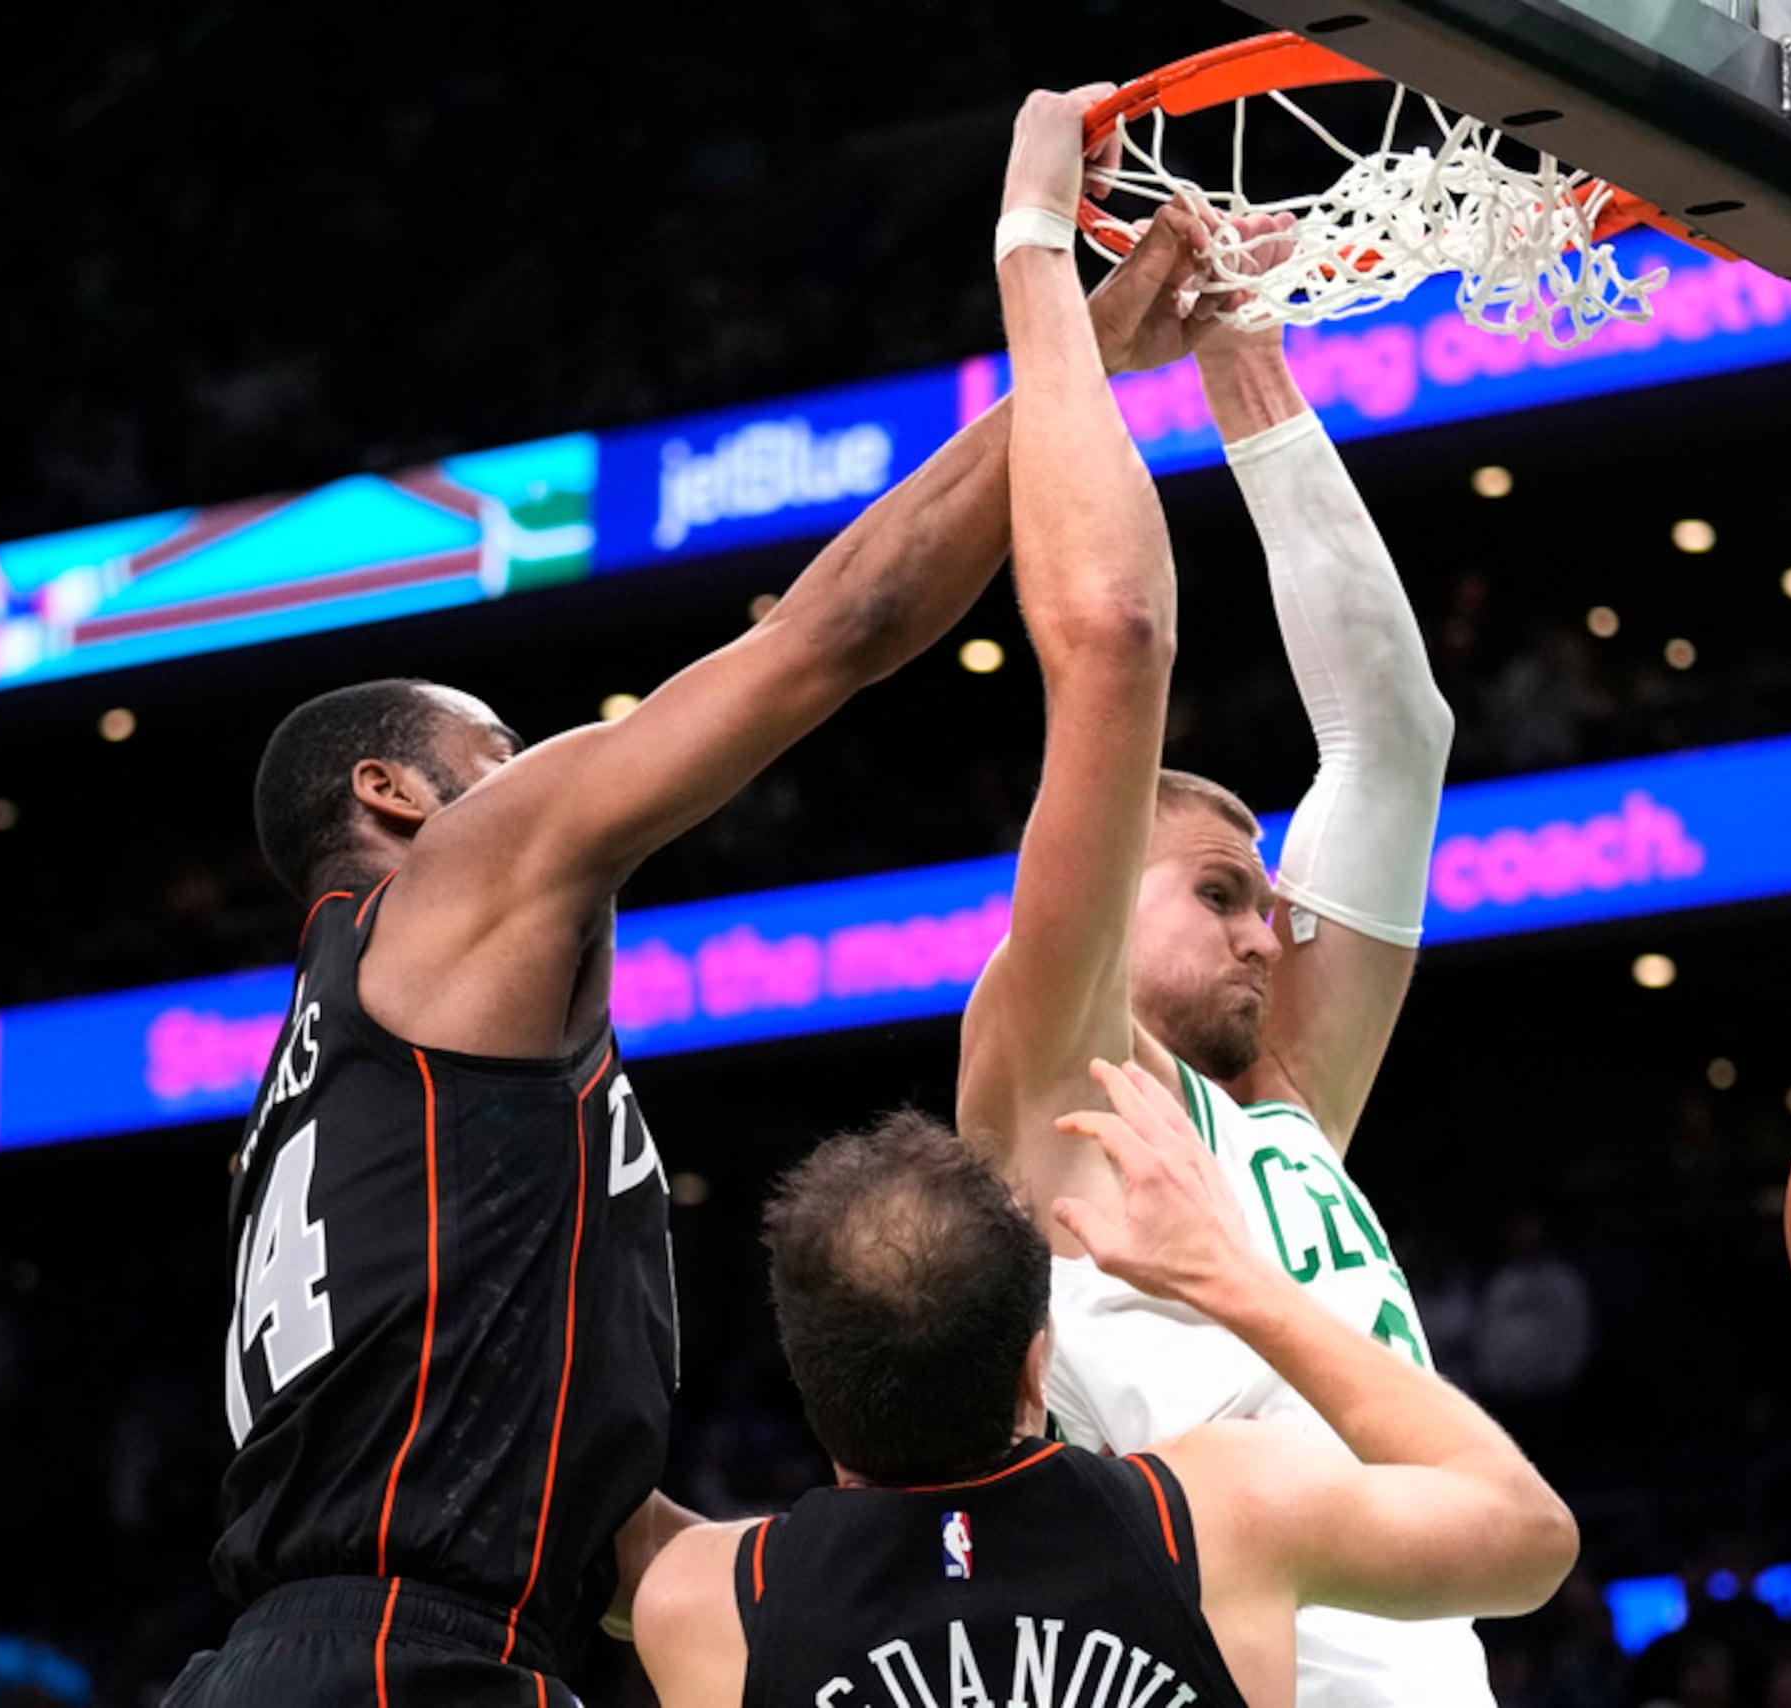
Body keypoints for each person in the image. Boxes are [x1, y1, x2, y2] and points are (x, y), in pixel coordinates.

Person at [174, 195, 1220, 1706]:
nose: (541, 775)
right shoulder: (457, 885)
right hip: (407, 1666)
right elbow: (838, 628)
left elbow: (545, 1509)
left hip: (337, 1654)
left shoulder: (337, 1084)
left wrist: (881, 1562)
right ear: (392, 794)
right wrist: (1075, 353)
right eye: (503, 748)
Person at [954, 78, 1472, 1708]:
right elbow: (1105, 631)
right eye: (1225, 890)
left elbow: (1394, 738)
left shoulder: (1288, 1108)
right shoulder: (1048, 1089)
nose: (1271, 926)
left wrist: (1252, 374)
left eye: (1268, 898)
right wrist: (1040, 251)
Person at [631, 1057, 1577, 1708]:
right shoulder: (1223, 1513)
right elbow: (1529, 1538)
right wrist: (1234, 1279)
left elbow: (577, 1510)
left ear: (808, 1382)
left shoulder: (708, 1604)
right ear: (1038, 1359)